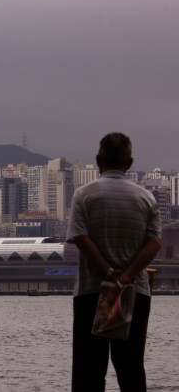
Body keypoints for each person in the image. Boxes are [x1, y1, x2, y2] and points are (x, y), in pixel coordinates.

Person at [67, 132, 161, 391]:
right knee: (130, 370)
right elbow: (154, 243)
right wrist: (127, 275)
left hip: (93, 292)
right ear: (129, 163)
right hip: (132, 293)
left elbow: (80, 237)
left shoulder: (84, 195)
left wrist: (108, 271)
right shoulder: (146, 198)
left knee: (89, 372)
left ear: (98, 160)